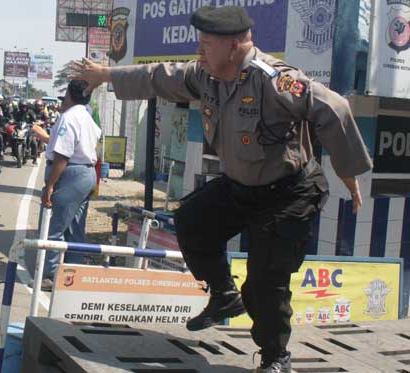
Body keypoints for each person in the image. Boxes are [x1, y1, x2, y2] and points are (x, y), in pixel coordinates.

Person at [71, 6, 372, 373]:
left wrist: (348, 172)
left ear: (234, 45)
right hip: (241, 187)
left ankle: (276, 357)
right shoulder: (205, 76)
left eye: (206, 43)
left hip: (288, 192)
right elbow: (157, 76)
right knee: (192, 222)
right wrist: (105, 75)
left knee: (264, 282)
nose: (200, 50)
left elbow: (334, 108)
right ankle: (224, 295)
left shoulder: (273, 80)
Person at [39, 80, 102, 291]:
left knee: (54, 228)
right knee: (75, 229)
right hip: (86, 172)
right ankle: (74, 275)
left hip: (71, 173)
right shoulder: (87, 116)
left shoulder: (70, 117)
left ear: (68, 94)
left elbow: (62, 155)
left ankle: (50, 276)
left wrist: (50, 185)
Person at [11, 99, 39, 164]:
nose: (23, 108)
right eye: (22, 106)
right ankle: (13, 151)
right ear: (19, 106)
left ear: (27, 106)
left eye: (25, 106)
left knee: (34, 142)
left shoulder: (30, 112)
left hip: (28, 129)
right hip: (19, 129)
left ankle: (35, 158)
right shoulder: (18, 113)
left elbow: (34, 119)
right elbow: (14, 119)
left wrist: (35, 122)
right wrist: (12, 121)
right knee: (12, 137)